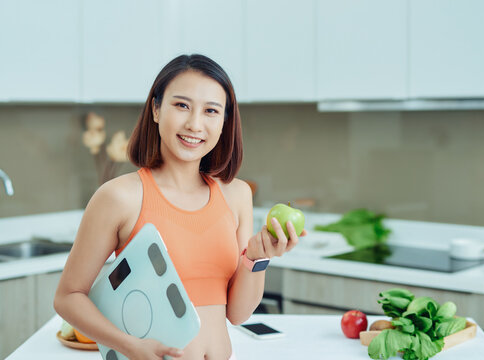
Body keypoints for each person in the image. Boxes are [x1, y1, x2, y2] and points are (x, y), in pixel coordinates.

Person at [54, 54, 306, 360]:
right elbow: (68, 297)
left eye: (211, 111)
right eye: (182, 105)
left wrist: (258, 257)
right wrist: (130, 346)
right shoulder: (120, 197)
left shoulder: (236, 195)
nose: (195, 124)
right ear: (156, 109)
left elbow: (238, 314)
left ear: (224, 122)